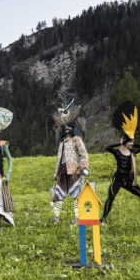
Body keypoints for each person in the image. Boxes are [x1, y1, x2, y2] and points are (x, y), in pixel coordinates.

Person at [101, 101, 140, 222]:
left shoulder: (133, 153)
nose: (132, 144)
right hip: (118, 180)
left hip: (129, 182)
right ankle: (103, 218)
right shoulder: (117, 153)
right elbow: (108, 148)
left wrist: (131, 138)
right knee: (111, 197)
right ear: (125, 142)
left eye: (133, 142)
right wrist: (121, 142)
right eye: (131, 142)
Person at [51, 88, 89, 224]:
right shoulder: (62, 143)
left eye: (69, 127)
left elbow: (83, 154)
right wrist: (56, 173)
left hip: (74, 171)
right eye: (65, 128)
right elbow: (58, 159)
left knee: (77, 194)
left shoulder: (77, 140)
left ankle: (77, 217)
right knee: (58, 194)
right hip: (62, 171)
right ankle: (56, 217)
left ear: (73, 128)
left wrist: (84, 167)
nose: (67, 129)